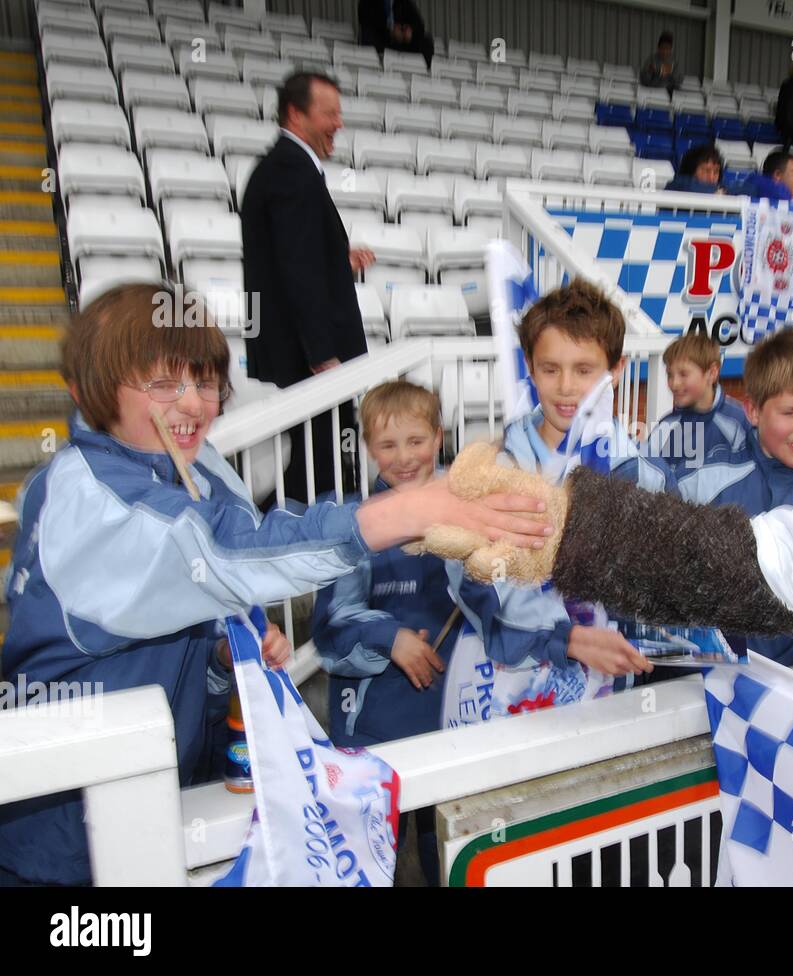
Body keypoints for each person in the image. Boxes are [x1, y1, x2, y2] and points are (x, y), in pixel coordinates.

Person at [0, 284, 552, 886]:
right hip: (64, 835)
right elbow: (225, 551)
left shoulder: (184, 461)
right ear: (96, 386)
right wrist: (408, 510)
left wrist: (221, 660)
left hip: (160, 805)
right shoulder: (85, 492)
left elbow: (169, 618)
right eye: (163, 383)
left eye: (205, 381)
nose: (192, 402)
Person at [446, 279, 679, 718]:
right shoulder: (495, 471)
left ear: (617, 370)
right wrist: (564, 637)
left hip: (614, 696)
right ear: (530, 369)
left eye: (584, 370)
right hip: (507, 692)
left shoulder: (643, 477)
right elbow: (472, 580)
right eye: (551, 369)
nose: (567, 387)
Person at [312, 380, 456, 886]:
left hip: (451, 722)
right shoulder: (357, 525)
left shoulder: (462, 515)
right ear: (369, 448)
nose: (404, 457)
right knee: (374, 857)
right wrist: (391, 638)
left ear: (438, 437)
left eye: (416, 441)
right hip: (373, 729)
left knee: (448, 845)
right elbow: (329, 630)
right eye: (388, 445)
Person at [674, 329, 793, 694]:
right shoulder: (704, 482)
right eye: (790, 412)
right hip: (702, 683)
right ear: (754, 411)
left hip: (788, 688)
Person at [241, 72, 375, 508]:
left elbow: (293, 258)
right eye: (329, 114)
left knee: (316, 464)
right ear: (296, 115)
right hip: (307, 361)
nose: (339, 123)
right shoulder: (290, 171)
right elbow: (297, 271)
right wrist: (322, 354)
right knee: (315, 471)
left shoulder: (286, 169)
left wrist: (339, 260)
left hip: (301, 355)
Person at [646, 332, 748, 476]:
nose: (674, 383)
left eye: (683, 374)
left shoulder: (740, 423)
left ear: (712, 373)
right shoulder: (666, 427)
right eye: (670, 375)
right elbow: (648, 477)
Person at [357, 0, 435, 67]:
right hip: (381, 40)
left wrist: (410, 30)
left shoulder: (404, 2)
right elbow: (366, 21)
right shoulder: (368, 2)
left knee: (426, 41)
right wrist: (391, 31)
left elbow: (419, 24)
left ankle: (425, 71)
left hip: (400, 42)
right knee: (368, 35)